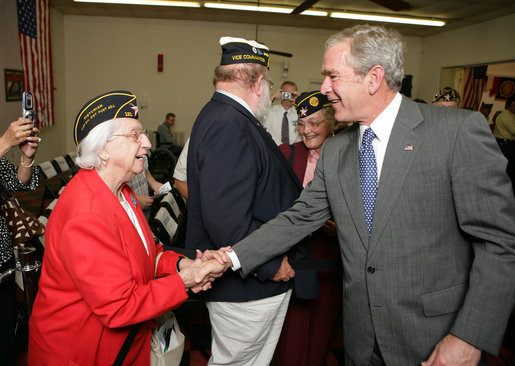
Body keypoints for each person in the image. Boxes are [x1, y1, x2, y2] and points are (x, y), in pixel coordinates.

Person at [212, 25, 515, 366]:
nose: (324, 88)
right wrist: (229, 259)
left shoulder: (457, 132)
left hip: (435, 340)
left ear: (373, 78)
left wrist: (469, 337)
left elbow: (499, 244)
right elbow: (299, 218)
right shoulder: (337, 150)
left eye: (332, 76)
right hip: (360, 340)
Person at [28, 90, 226, 365]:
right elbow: (119, 306)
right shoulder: (85, 214)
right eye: (134, 135)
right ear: (103, 148)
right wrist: (187, 281)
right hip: (83, 352)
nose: (146, 142)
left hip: (121, 343)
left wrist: (184, 266)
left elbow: (149, 252)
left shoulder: (121, 192)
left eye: (142, 132)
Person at [186, 37, 316, 366]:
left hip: (246, 285)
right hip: (247, 288)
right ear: (258, 82)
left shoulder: (226, 116)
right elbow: (225, 219)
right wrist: (270, 266)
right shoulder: (228, 124)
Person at [275, 91, 342, 366]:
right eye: (302, 123)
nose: (306, 130)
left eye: (314, 123)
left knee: (322, 326)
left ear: (331, 122)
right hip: (296, 254)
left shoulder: (347, 155)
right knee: (293, 327)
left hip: (331, 254)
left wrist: (340, 228)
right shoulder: (287, 154)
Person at [0, 117, 40, 366]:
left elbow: (17, 182)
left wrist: (26, 158)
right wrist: (5, 142)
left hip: (2, 261)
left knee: (6, 342)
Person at [263, 80, 301, 145]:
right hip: (274, 149)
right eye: (287, 94)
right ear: (281, 94)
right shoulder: (270, 111)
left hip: (294, 152)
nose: (290, 97)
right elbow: (259, 114)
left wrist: (300, 100)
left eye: (293, 94)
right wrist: (273, 97)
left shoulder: (299, 113)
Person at [493, 97, 515, 192]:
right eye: (514, 105)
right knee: (509, 170)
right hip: (506, 145)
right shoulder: (507, 116)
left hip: (502, 144)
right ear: (508, 106)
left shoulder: (505, 115)